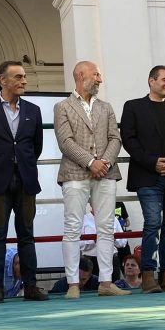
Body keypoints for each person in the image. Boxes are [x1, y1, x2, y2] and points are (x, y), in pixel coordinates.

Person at [0, 60, 48, 304]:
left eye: (24, 77)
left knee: (27, 234)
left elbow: (36, 146)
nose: (24, 81)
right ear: (3, 80)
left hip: (25, 179)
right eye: (19, 77)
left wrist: (22, 164)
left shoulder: (33, 110)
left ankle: (31, 286)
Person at [54, 60, 129, 299]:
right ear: (81, 75)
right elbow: (65, 142)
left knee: (106, 227)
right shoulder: (63, 106)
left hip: (106, 172)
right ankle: (73, 284)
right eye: (96, 74)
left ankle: (106, 282)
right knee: (72, 227)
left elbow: (115, 138)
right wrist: (90, 162)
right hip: (75, 173)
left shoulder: (106, 107)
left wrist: (103, 163)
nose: (100, 79)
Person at [120, 65, 165, 293]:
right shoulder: (133, 107)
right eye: (164, 79)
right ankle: (149, 276)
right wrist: (153, 162)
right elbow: (129, 140)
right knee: (152, 224)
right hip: (148, 177)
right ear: (151, 81)